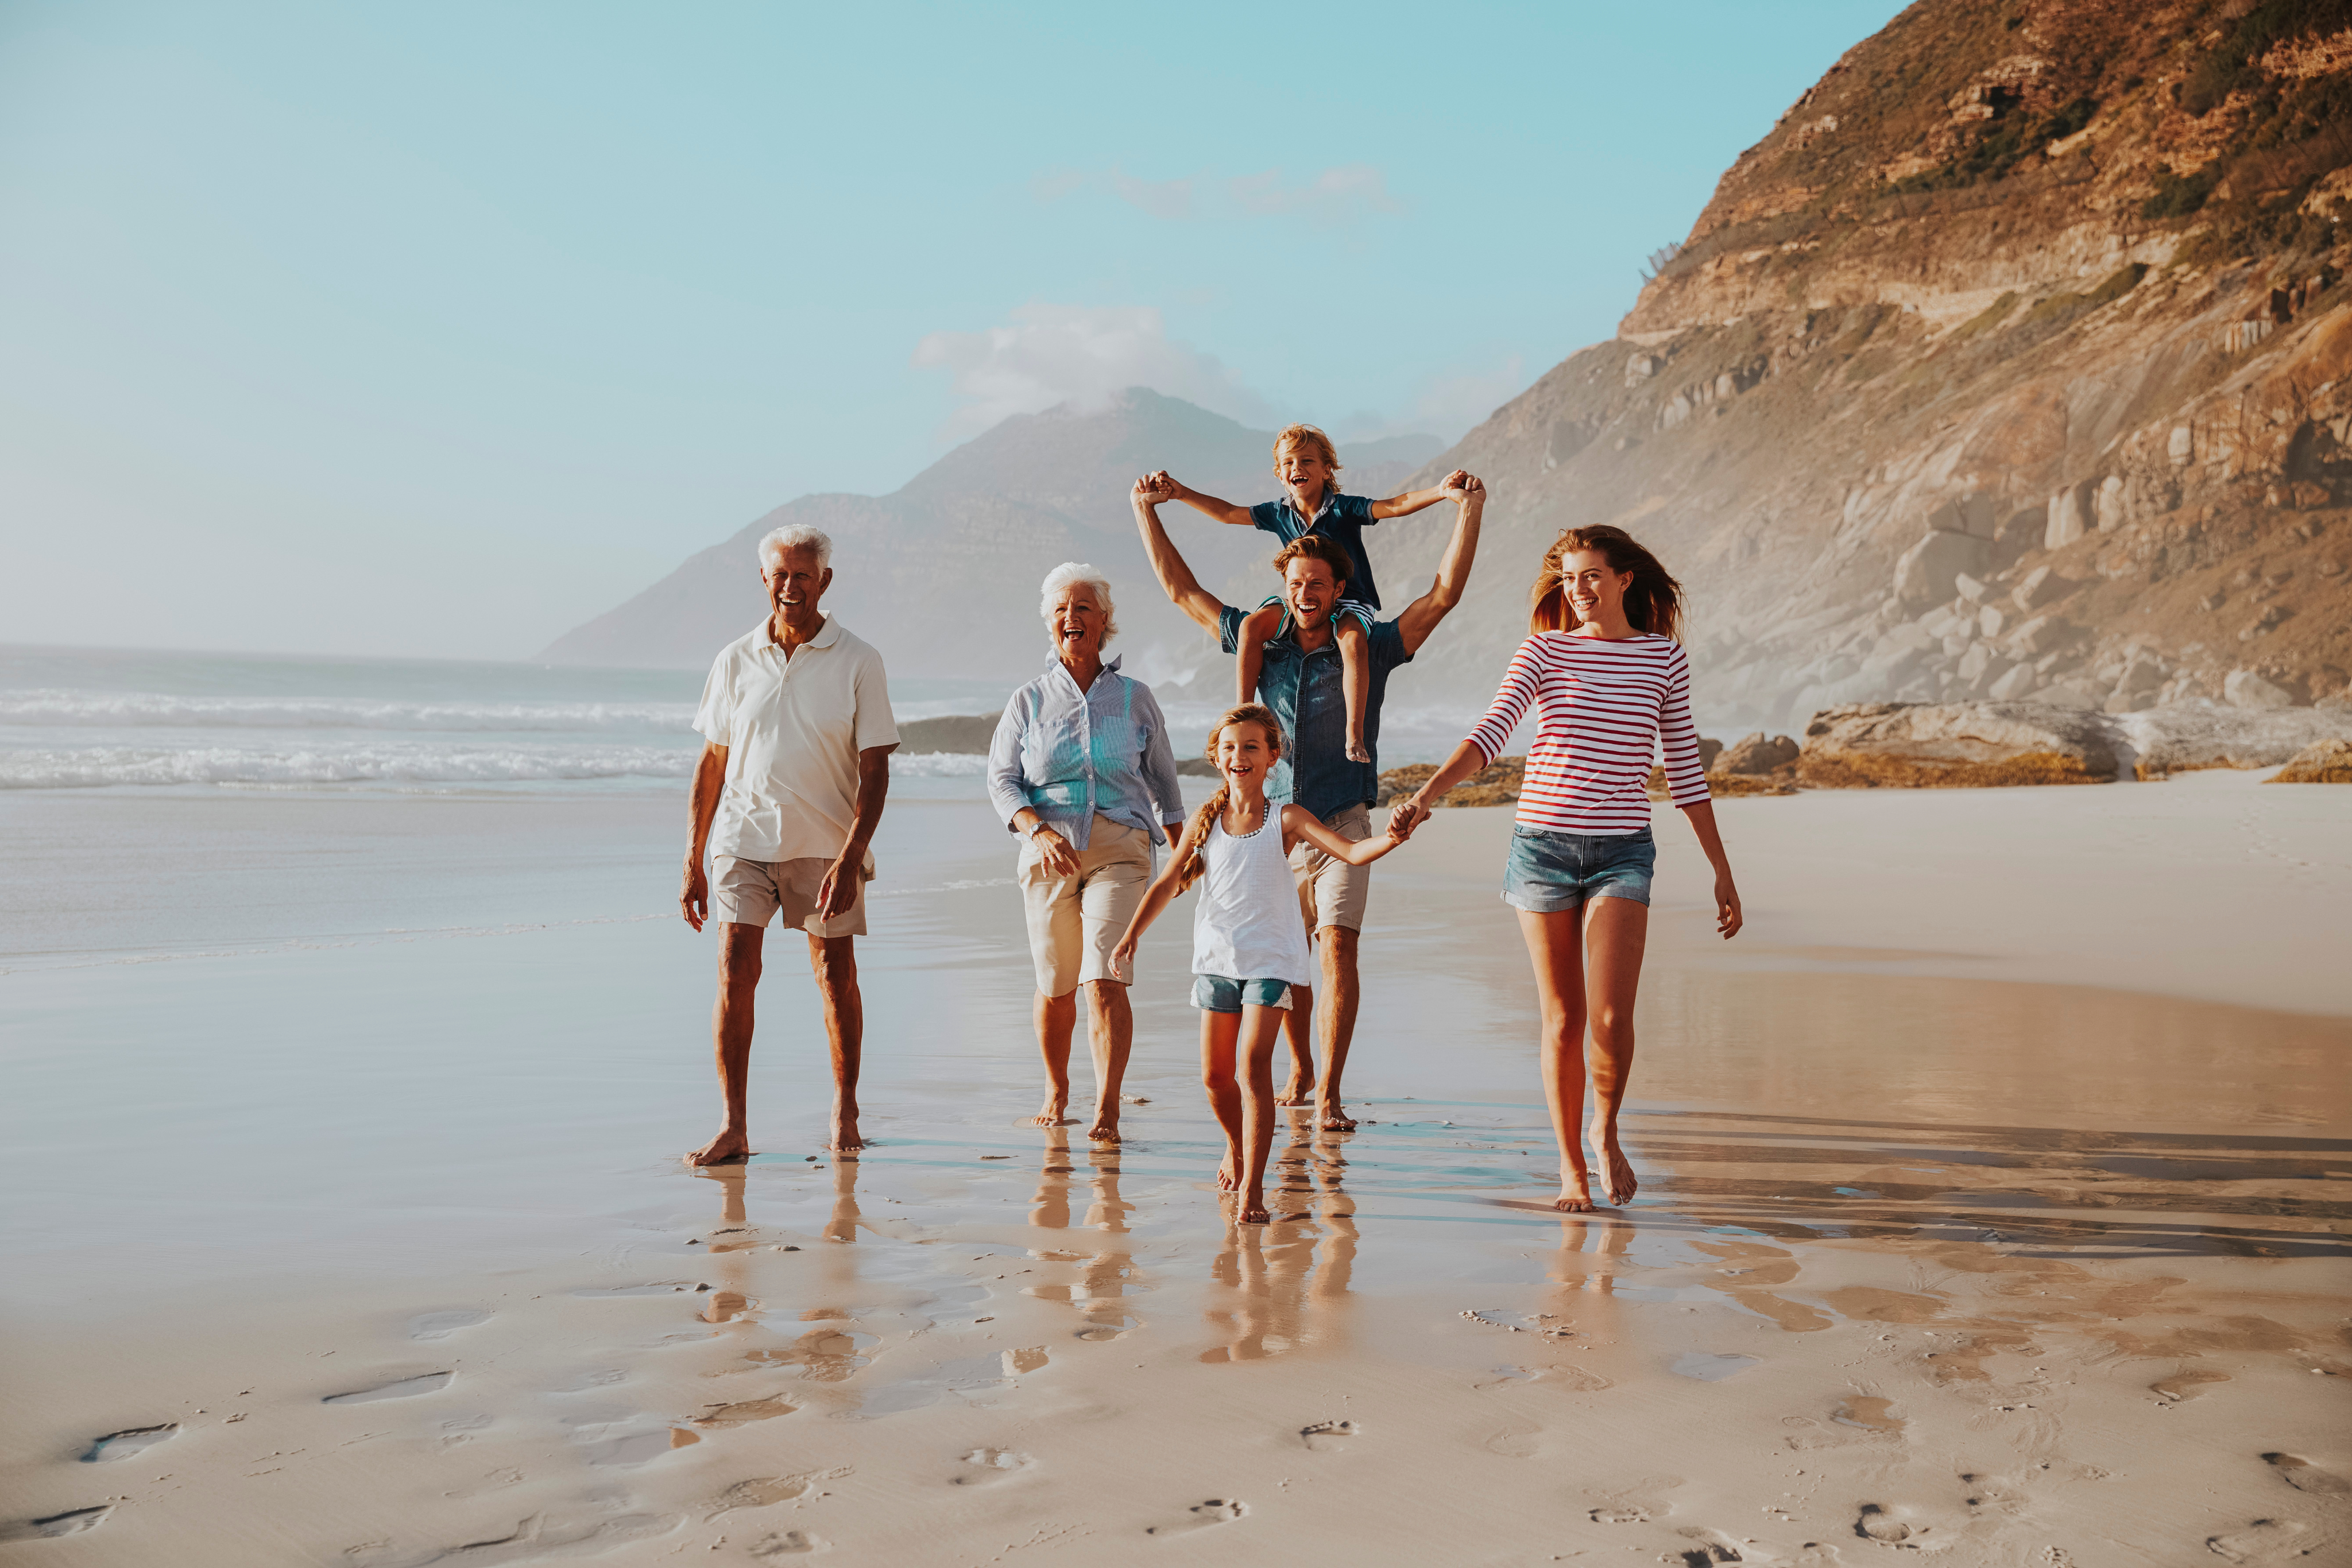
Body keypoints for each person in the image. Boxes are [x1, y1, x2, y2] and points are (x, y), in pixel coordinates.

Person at [1387, 526, 1743, 1214]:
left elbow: (1685, 772)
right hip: (1543, 849)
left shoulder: (1663, 660)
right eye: (1569, 579)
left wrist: (1721, 871)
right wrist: (1426, 795)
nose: (1578, 590)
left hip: (1622, 851)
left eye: (1590, 576)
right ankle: (1570, 1167)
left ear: (1622, 580)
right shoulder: (1544, 650)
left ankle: (1604, 1132)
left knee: (1611, 1017)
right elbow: (1491, 733)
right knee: (1563, 1018)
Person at [1131, 467, 1485, 1133]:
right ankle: (1301, 1067)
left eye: (1318, 585)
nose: (1306, 596)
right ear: (1285, 590)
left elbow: (1442, 595)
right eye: (1296, 586)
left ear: (1338, 590)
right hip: (1276, 830)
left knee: (1336, 948)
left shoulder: (1371, 645)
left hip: (1345, 819)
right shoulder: (1264, 645)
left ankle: (1329, 1092)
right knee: (1286, 961)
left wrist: (1467, 509)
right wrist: (1145, 510)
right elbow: (1183, 592)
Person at [1111, 705, 1409, 1225]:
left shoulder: (1285, 819)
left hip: (1270, 961)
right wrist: (1130, 936)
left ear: (1273, 756)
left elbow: (1352, 853)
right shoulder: (1206, 824)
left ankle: (1252, 1186)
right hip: (1217, 960)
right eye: (1230, 747)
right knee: (1213, 1078)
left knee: (1252, 1069)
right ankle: (1236, 1144)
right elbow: (1165, 885)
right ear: (1216, 757)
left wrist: (1393, 836)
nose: (1239, 755)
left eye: (1252, 746)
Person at [679, 523, 898, 1165]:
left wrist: (852, 855)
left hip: (826, 843)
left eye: (803, 574)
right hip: (742, 839)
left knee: (834, 978)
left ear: (824, 581)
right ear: (763, 579)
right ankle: (734, 1124)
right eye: (780, 573)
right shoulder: (734, 658)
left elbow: (876, 767)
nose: (791, 585)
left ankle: (845, 1106)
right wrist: (693, 857)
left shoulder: (859, 659)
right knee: (733, 972)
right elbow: (713, 761)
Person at [986, 563, 1186, 1144]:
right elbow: (1002, 780)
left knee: (1105, 975)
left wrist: (1185, 856)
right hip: (1049, 852)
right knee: (1056, 982)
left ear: (1104, 621)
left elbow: (1165, 785)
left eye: (1082, 609)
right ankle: (1056, 1088)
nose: (1071, 618)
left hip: (1121, 848)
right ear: (1050, 624)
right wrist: (1034, 829)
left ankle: (1107, 1105)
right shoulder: (1027, 701)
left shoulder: (1135, 699)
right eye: (1061, 611)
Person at [1150, 424, 1471, 764]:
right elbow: (1228, 514)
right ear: (1279, 473)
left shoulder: (1343, 509)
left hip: (1350, 599)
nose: (1297, 469)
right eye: (1288, 463)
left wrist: (1440, 491)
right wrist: (1181, 493)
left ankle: (1353, 735)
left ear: (1326, 470)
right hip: (1299, 599)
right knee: (1250, 627)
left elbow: (1393, 506)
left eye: (1307, 461)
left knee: (1353, 644)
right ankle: (1244, 714)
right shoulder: (1279, 513)